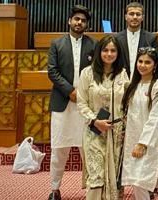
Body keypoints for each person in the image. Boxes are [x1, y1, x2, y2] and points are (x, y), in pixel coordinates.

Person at [47, 5, 98, 200]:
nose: (79, 23)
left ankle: (93, 189)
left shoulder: (94, 44)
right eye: (76, 19)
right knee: (59, 148)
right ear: (69, 21)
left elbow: (98, 71)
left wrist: (82, 94)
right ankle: (54, 189)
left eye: (83, 20)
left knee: (89, 147)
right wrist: (70, 91)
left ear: (86, 24)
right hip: (63, 103)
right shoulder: (57, 44)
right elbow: (53, 71)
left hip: (87, 104)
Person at [76, 35, 129, 200]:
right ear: (99, 52)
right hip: (94, 131)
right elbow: (81, 103)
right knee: (96, 174)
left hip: (116, 133)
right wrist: (95, 120)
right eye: (105, 50)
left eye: (113, 50)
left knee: (114, 176)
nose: (109, 54)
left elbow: (127, 102)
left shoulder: (122, 74)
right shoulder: (87, 73)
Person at [121, 47, 158, 200]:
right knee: (135, 180)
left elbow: (155, 117)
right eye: (140, 61)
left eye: (147, 62)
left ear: (155, 65)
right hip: (131, 138)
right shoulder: (132, 86)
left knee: (142, 180)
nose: (143, 65)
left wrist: (142, 143)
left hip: (149, 140)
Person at [114, 2, 158, 79]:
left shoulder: (151, 38)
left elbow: (155, 64)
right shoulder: (116, 38)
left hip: (143, 81)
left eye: (138, 14)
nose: (134, 17)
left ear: (142, 17)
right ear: (126, 17)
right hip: (120, 81)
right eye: (131, 14)